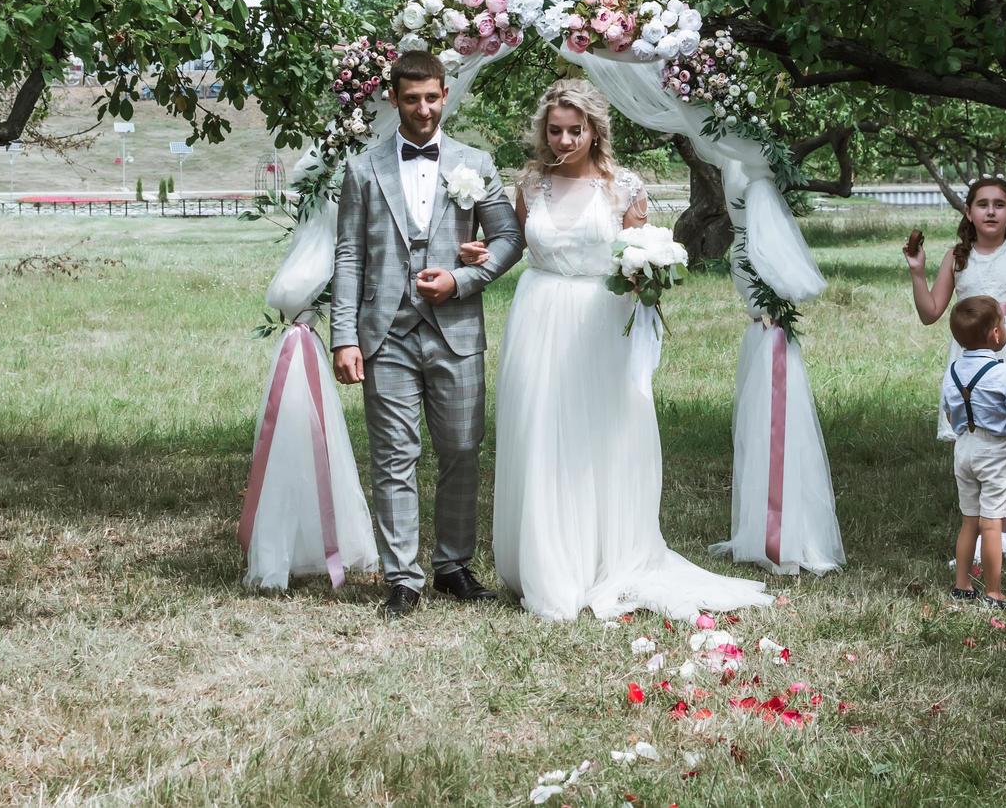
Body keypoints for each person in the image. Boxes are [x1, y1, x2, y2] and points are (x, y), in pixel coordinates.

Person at [477, 78, 772, 621]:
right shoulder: (532, 183)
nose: (564, 140)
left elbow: (638, 250)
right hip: (538, 317)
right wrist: (482, 250)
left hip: (600, 322)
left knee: (604, 434)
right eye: (555, 130)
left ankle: (605, 555)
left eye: (575, 130)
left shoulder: (623, 186)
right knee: (540, 432)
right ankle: (549, 563)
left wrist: (646, 275)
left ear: (595, 130)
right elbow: (516, 244)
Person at [330, 50, 524, 620]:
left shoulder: (475, 162)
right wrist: (344, 336)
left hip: (456, 329)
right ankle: (402, 577)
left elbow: (509, 237)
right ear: (393, 98)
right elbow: (347, 256)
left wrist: (464, 277)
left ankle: (453, 566)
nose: (422, 109)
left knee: (461, 449)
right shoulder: (363, 169)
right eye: (411, 98)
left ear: (445, 95)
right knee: (394, 454)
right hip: (384, 333)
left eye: (432, 97)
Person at [904, 175, 1006, 568]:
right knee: (975, 444)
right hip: (972, 360)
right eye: (983, 204)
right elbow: (931, 313)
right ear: (969, 211)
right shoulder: (957, 258)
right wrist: (917, 271)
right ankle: (978, 536)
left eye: (999, 204)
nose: (991, 210)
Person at [940, 296, 1006, 608]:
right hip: (994, 453)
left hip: (964, 449)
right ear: (996, 334)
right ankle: (994, 592)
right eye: (1003, 323)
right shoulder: (1005, 374)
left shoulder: (953, 372)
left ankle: (962, 584)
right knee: (991, 523)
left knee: (969, 521)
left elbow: (952, 416)